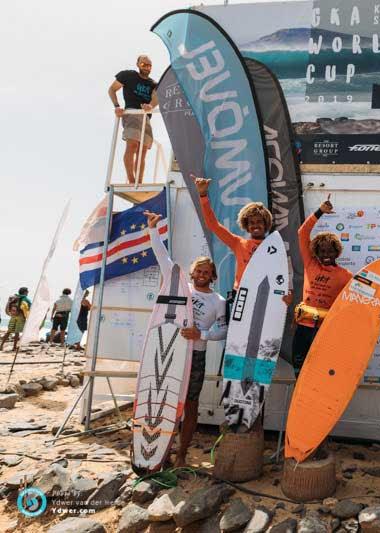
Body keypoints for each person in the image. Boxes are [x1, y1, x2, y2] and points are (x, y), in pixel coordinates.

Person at [144, 210, 228, 467]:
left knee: (191, 405)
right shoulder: (180, 286)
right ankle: (162, 450)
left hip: (197, 356)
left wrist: (200, 334)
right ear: (191, 273)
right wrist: (153, 230)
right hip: (171, 352)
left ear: (213, 276)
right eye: (198, 270)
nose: (202, 273)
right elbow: (163, 258)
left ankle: (182, 454)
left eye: (207, 271)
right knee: (167, 401)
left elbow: (224, 331)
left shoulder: (218, 301)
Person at [292, 195, 380, 376]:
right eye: (321, 251)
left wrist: (379, 312)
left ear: (337, 252)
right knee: (299, 373)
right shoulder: (310, 265)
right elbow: (302, 233)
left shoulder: (346, 276)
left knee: (319, 373)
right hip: (303, 328)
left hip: (326, 331)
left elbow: (360, 301)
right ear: (315, 252)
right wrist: (320, 211)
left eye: (330, 250)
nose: (326, 254)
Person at [108, 55, 158, 184]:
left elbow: (156, 97)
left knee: (142, 151)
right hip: (132, 113)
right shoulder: (128, 75)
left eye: (149, 65)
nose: (146, 67)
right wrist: (117, 106)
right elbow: (112, 89)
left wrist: (151, 105)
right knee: (132, 145)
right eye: (143, 64)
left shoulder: (153, 84)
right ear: (137, 64)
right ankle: (131, 181)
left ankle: (138, 183)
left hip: (146, 117)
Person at [1, 288, 31, 352]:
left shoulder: (14, 297)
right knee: (17, 332)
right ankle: (14, 347)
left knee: (9, 331)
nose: (28, 292)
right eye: (27, 291)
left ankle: (1, 346)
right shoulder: (25, 298)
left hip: (13, 316)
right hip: (20, 316)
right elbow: (30, 307)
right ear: (25, 292)